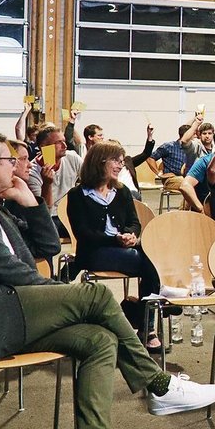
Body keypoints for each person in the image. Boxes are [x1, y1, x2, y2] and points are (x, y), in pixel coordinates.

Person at [0, 132, 215, 429]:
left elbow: (46, 248)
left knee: (99, 339)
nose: (22, 165)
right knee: (96, 297)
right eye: (12, 160)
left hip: (13, 310)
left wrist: (30, 202)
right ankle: (157, 384)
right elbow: (7, 268)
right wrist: (61, 294)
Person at [65, 141, 162, 348]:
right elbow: (83, 233)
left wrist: (130, 235)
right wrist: (115, 239)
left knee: (151, 255)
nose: (121, 166)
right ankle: (148, 321)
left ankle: (143, 314)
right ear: (100, 162)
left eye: (121, 162)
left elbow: (134, 222)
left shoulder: (123, 191)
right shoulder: (77, 195)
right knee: (144, 261)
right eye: (116, 161)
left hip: (124, 248)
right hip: (94, 252)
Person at [84, 122, 154, 199]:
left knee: (132, 196)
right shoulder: (106, 164)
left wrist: (150, 136)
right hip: (116, 193)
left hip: (133, 193)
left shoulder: (128, 161)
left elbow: (146, 154)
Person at [180, 123, 215, 213]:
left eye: (210, 133)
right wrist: (201, 209)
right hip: (212, 212)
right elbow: (185, 186)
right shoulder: (205, 161)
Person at [34, 123, 83, 212]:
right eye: (58, 142)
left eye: (64, 141)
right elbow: (44, 211)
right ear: (43, 146)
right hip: (50, 217)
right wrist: (47, 184)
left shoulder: (72, 158)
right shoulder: (32, 172)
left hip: (70, 213)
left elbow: (91, 179)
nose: (65, 146)